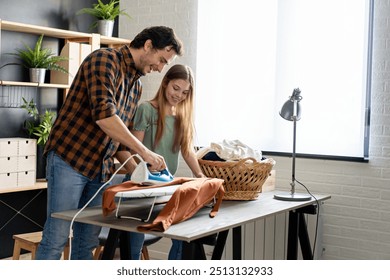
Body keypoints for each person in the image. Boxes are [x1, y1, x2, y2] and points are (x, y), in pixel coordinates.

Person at [35, 26, 183, 260]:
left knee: (87, 242)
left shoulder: (136, 87)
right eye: (161, 60)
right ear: (148, 45)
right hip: (69, 161)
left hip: (100, 170)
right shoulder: (104, 60)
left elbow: (121, 145)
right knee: (57, 238)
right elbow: (105, 116)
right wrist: (146, 152)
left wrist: (141, 175)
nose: (160, 68)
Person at [123, 64, 206, 260]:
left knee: (183, 237)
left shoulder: (182, 117)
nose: (178, 95)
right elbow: (135, 149)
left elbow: (187, 150)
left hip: (166, 185)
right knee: (134, 246)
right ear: (165, 83)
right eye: (175, 88)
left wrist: (200, 175)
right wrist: (141, 176)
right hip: (140, 185)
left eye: (185, 92)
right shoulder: (146, 110)